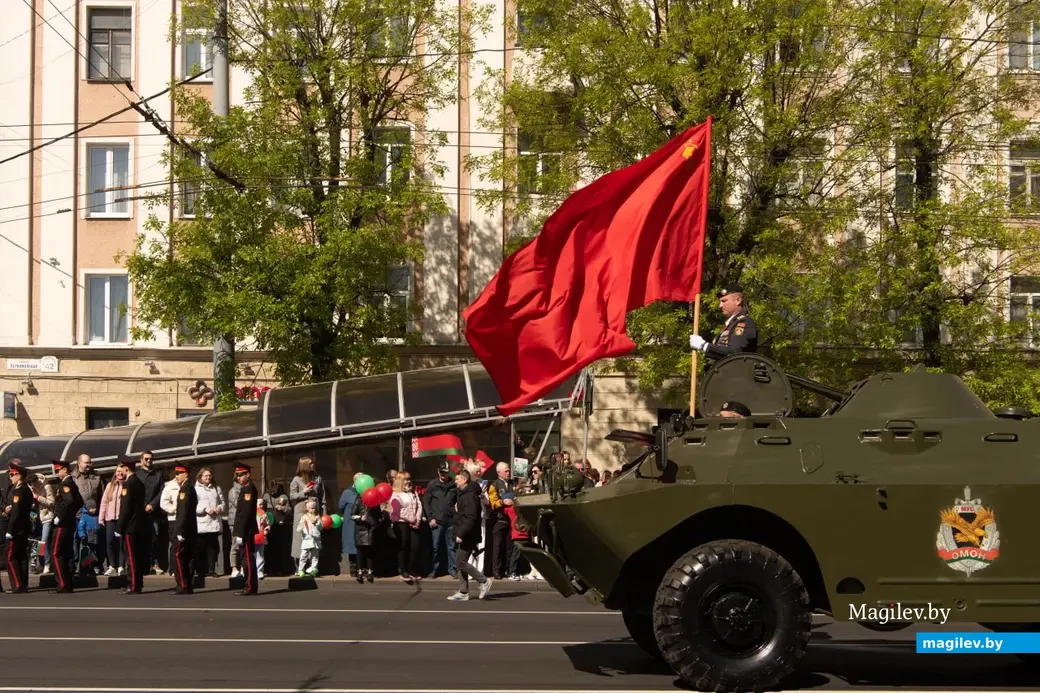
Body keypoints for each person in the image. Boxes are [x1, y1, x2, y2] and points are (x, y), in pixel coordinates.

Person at [447, 469, 492, 601]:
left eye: (457, 479)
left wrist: (461, 533)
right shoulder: (463, 494)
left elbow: (470, 518)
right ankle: (463, 591)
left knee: (459, 562)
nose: (455, 481)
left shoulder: (469, 496)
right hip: (463, 532)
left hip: (468, 534)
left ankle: (483, 581)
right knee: (461, 561)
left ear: (464, 480)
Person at [689, 284, 758, 360]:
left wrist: (704, 345)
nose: (720, 305)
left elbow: (734, 353)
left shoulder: (744, 323)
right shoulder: (731, 324)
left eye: (724, 301)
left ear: (738, 300)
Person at [115, 456, 148, 595]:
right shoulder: (139, 482)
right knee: (137, 556)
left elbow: (126, 508)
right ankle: (137, 583)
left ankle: (133, 584)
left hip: (131, 526)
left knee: (131, 557)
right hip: (139, 524)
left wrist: (119, 527)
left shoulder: (128, 484)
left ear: (126, 468)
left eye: (122, 467)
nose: (121, 470)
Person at [50, 460, 82, 593]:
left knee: (56, 553)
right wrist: (71, 514)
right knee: (67, 553)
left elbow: (69, 501)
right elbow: (79, 501)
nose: (57, 473)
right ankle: (68, 583)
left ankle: (62, 584)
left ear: (65, 470)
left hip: (62, 524)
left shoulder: (65, 483)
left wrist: (61, 516)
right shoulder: (72, 483)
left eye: (58, 470)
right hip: (69, 523)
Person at [423, 461, 457, 579]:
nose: (443, 475)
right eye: (442, 472)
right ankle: (435, 569)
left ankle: (452, 569)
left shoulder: (454, 484)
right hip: (437, 521)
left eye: (445, 473)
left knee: (451, 547)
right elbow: (426, 502)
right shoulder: (432, 485)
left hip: (451, 521)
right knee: (436, 547)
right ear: (438, 472)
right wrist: (430, 518)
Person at [4, 461, 34, 593]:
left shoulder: (18, 491)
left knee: (11, 556)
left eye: (12, 475)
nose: (10, 477)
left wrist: (10, 530)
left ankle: (17, 585)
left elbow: (15, 513)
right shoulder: (27, 490)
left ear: (18, 475)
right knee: (22, 557)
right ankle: (23, 584)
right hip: (24, 528)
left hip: (16, 529)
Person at [232, 463, 259, 596]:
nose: (239, 478)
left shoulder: (249, 489)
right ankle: (249, 585)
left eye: (241, 475)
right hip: (243, 530)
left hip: (246, 531)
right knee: (245, 559)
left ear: (247, 475)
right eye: (237, 475)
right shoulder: (245, 488)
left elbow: (246, 514)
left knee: (247, 559)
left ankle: (250, 587)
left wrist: (240, 533)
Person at [170, 464, 197, 595]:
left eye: (178, 473)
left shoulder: (185, 489)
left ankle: (183, 584)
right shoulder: (190, 487)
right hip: (190, 529)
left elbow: (183, 512)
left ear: (185, 474)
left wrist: (179, 530)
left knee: (177, 555)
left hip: (184, 529)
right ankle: (188, 584)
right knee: (188, 557)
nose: (176, 476)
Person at [296, 499, 322, 577]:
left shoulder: (317, 517)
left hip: (315, 540)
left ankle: (314, 570)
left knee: (315, 556)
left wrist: (317, 522)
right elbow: (299, 529)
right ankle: (301, 570)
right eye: (311, 508)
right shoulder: (304, 517)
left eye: (314, 508)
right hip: (307, 540)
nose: (313, 510)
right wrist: (303, 523)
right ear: (307, 508)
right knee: (303, 555)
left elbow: (321, 528)